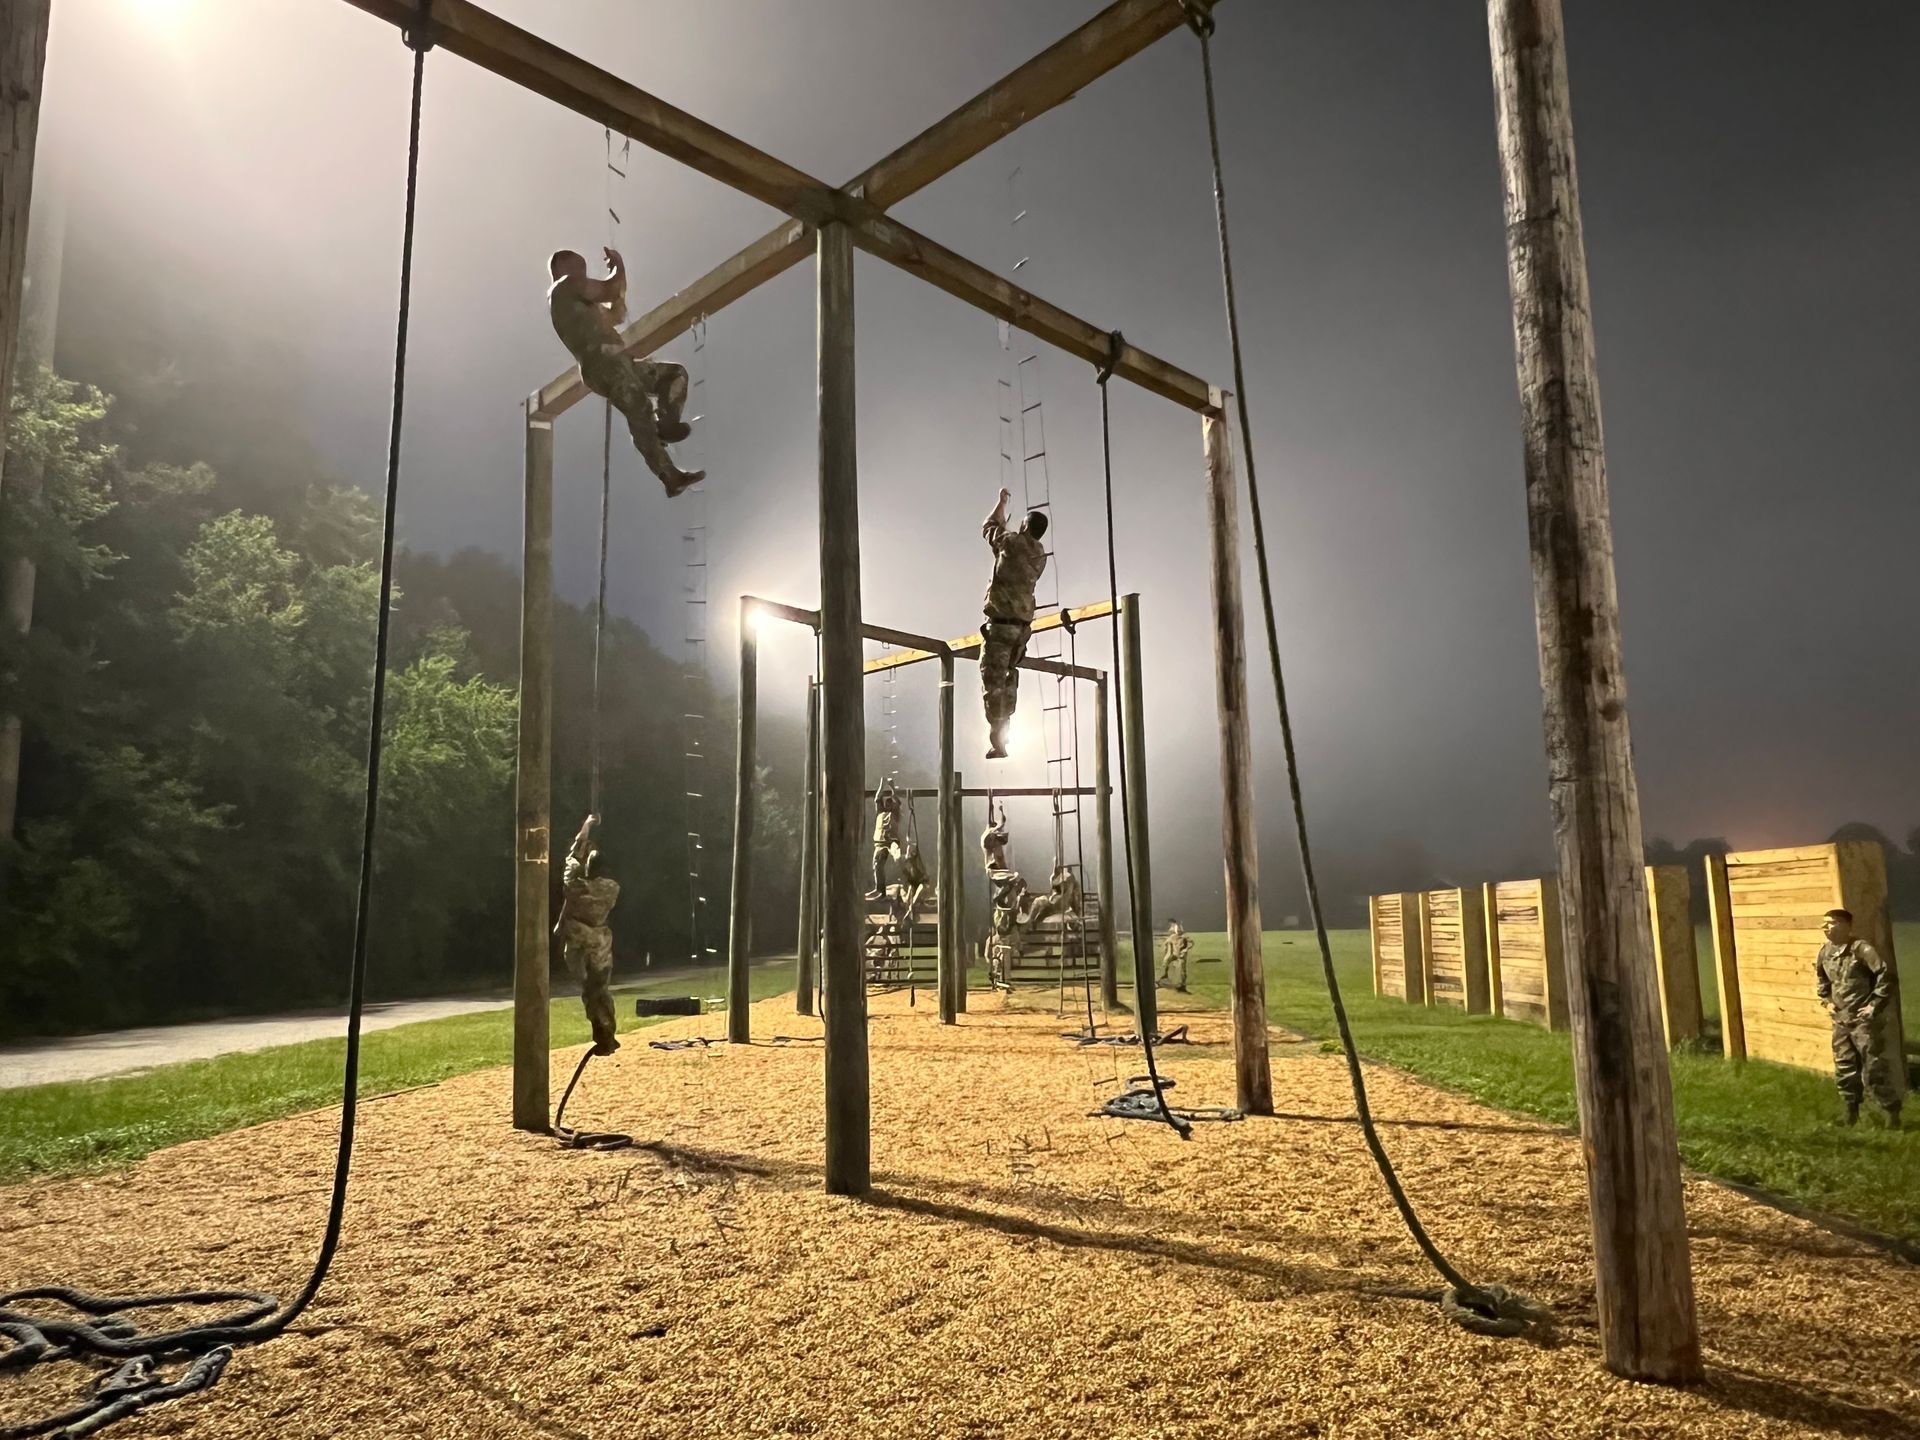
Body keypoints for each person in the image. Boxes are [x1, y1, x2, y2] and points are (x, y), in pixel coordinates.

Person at [547, 246, 704, 496]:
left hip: (616, 361)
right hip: (604, 363)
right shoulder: (564, 288)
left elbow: (617, 313)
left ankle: (667, 424)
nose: (583, 274)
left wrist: (618, 280)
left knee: (673, 375)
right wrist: (619, 266)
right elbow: (610, 289)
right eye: (579, 268)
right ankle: (667, 473)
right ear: (563, 268)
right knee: (638, 408)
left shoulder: (578, 303)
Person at [978, 487, 1049, 759]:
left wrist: (1001, 502)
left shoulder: (1011, 543)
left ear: (1024, 526)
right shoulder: (1039, 555)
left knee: (992, 677)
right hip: (1022, 628)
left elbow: (988, 526)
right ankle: (1004, 730)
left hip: (1001, 625)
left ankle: (998, 735)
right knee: (1008, 676)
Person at [1816, 908, 1901, 1128]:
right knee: (1845, 1067)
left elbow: (1886, 976)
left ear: (1846, 926)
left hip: (1864, 1023)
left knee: (1874, 1068)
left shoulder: (1862, 950)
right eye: (1825, 924)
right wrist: (1827, 1002)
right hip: (1841, 1021)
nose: (1826, 928)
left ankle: (1892, 1114)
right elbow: (1822, 982)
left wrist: (1874, 1006)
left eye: (1831, 923)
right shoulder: (1825, 952)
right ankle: (1850, 1116)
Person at [552, 814, 621, 1055]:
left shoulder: (576, 886)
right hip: (600, 943)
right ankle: (607, 1031)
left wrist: (588, 824)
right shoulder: (611, 889)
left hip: (578, 944)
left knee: (588, 988)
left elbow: (574, 854)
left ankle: (601, 1030)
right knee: (600, 988)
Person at [866, 779, 902, 901]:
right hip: (880, 843)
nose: (888, 805)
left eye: (890, 803)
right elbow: (877, 798)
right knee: (877, 865)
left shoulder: (895, 813)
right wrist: (882, 784)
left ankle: (908, 885)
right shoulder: (880, 812)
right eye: (887, 803)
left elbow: (897, 801)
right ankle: (880, 890)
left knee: (900, 860)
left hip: (892, 842)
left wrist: (892, 787)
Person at [1160, 919, 1193, 992]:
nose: (1177, 931)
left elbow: (1191, 944)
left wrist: (1185, 950)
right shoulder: (1173, 937)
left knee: (1182, 970)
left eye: (1179, 929)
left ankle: (1183, 985)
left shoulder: (1185, 937)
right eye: (1176, 929)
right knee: (1166, 962)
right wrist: (1165, 948)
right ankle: (1164, 976)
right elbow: (1166, 942)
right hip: (1174, 954)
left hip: (1181, 955)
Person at [980, 800, 1011, 875]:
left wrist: (1000, 809)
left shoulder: (993, 839)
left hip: (990, 845)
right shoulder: (990, 833)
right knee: (997, 855)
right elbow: (1001, 823)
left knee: (998, 854)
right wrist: (1001, 809)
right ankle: (1002, 873)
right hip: (991, 866)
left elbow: (1001, 823)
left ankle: (1005, 874)